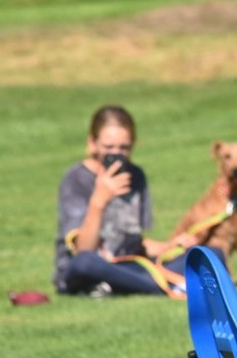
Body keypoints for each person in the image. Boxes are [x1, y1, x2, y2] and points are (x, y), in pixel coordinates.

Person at [53, 105, 201, 298]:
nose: (117, 154)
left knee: (208, 253)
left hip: (128, 264)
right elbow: (83, 249)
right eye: (108, 147)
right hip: (86, 267)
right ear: (92, 143)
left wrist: (171, 246)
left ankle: (119, 286)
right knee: (85, 264)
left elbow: (135, 243)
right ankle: (163, 287)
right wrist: (99, 200)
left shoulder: (136, 176)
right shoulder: (76, 179)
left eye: (124, 147)